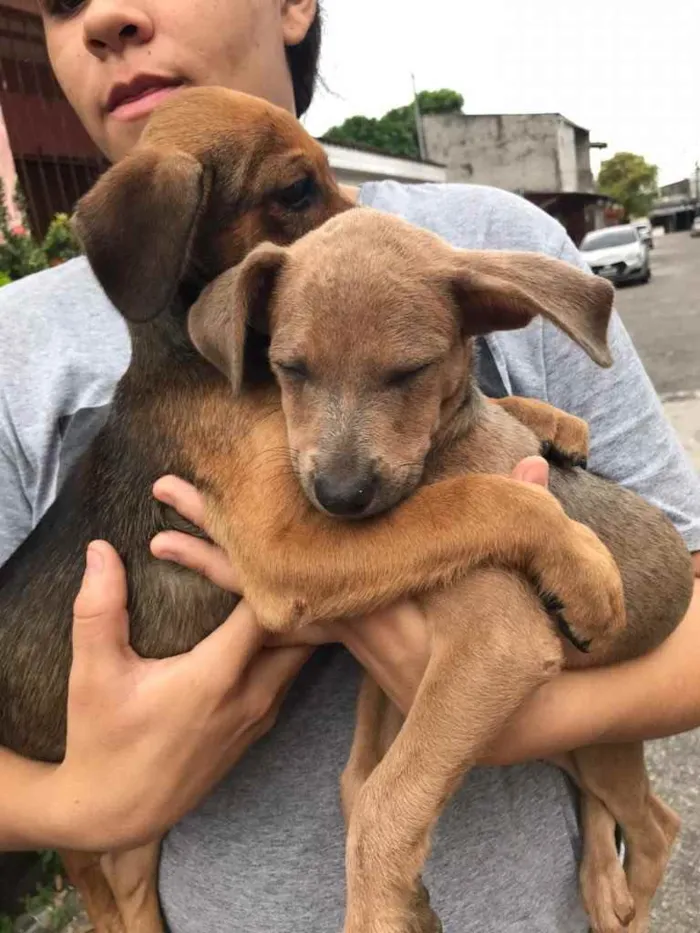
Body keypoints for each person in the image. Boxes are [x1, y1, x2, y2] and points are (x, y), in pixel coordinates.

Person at [1, 2, 699, 930]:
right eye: (57, 2)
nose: (108, 19)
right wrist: (84, 805)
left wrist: (510, 714)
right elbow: (291, 570)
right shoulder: (32, 348)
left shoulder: (491, 239)